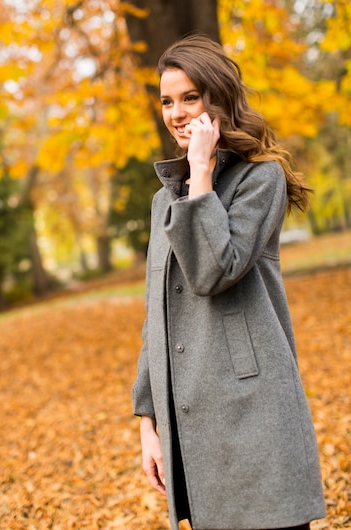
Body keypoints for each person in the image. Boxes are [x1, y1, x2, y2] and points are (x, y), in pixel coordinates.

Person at [132, 33, 326, 530]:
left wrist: (200, 172)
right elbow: (158, 315)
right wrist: (149, 424)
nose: (176, 112)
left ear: (217, 99)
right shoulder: (162, 202)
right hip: (191, 420)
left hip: (253, 414)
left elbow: (213, 270)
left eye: (190, 97)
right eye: (167, 100)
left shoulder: (262, 179)